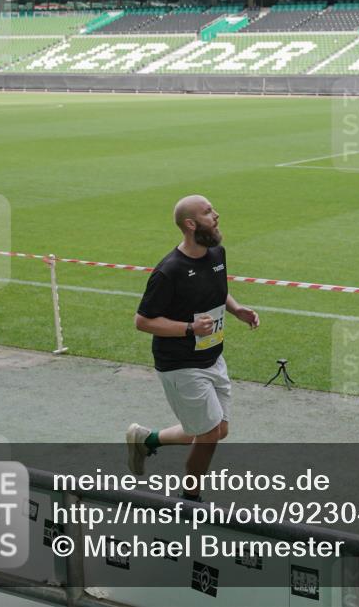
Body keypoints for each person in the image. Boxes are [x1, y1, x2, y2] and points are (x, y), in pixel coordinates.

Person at [126, 195, 259, 501]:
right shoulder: (168, 271)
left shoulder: (216, 253)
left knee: (218, 429)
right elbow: (143, 321)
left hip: (212, 356)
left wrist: (237, 309)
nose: (216, 215)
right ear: (190, 224)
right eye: (208, 212)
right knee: (209, 433)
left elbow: (218, 288)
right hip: (180, 364)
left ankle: (147, 440)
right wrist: (188, 328)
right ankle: (190, 498)